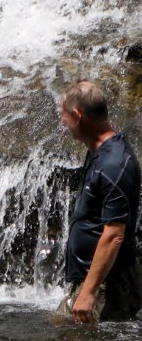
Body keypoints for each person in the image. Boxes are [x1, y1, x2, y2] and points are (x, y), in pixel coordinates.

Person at [56, 79, 142, 323]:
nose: (62, 120)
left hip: (107, 286)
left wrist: (88, 292)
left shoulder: (114, 163)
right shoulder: (98, 152)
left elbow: (114, 234)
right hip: (92, 281)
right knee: (59, 333)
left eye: (64, 114)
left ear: (77, 115)